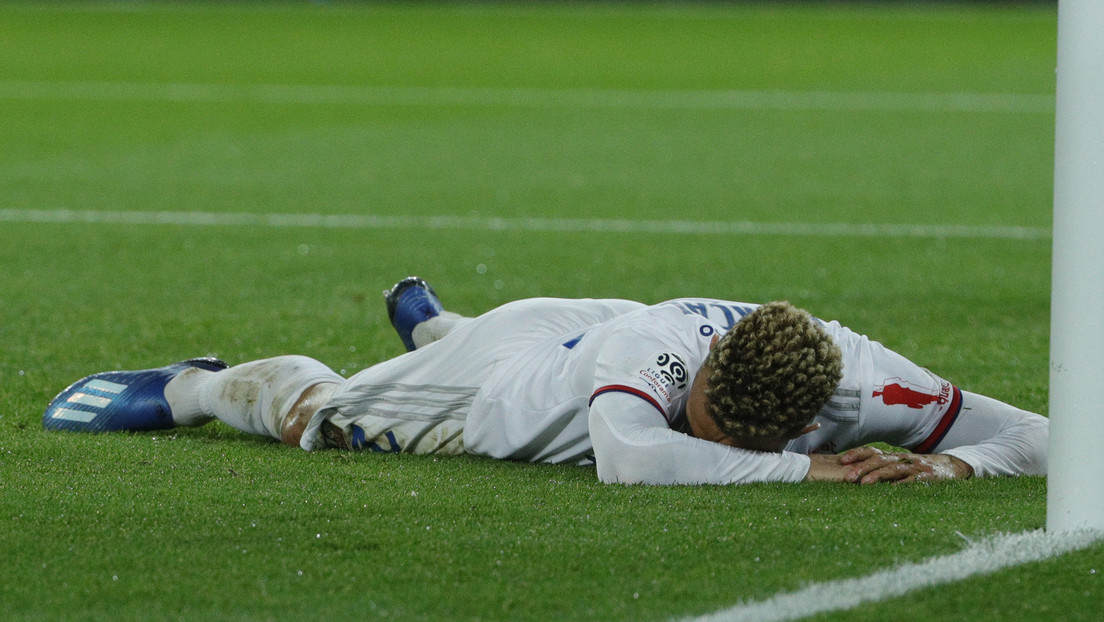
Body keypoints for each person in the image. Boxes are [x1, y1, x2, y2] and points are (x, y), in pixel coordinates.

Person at [42, 277, 1048, 485]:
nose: (732, 447)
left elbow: (1054, 437)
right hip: (505, 383)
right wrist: (802, 475)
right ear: (701, 373)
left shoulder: (863, 380)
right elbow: (632, 455)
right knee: (323, 418)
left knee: (485, 341)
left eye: (765, 442)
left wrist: (961, 470)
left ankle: (439, 324)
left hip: (568, 333)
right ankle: (190, 388)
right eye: (717, 423)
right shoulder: (653, 358)